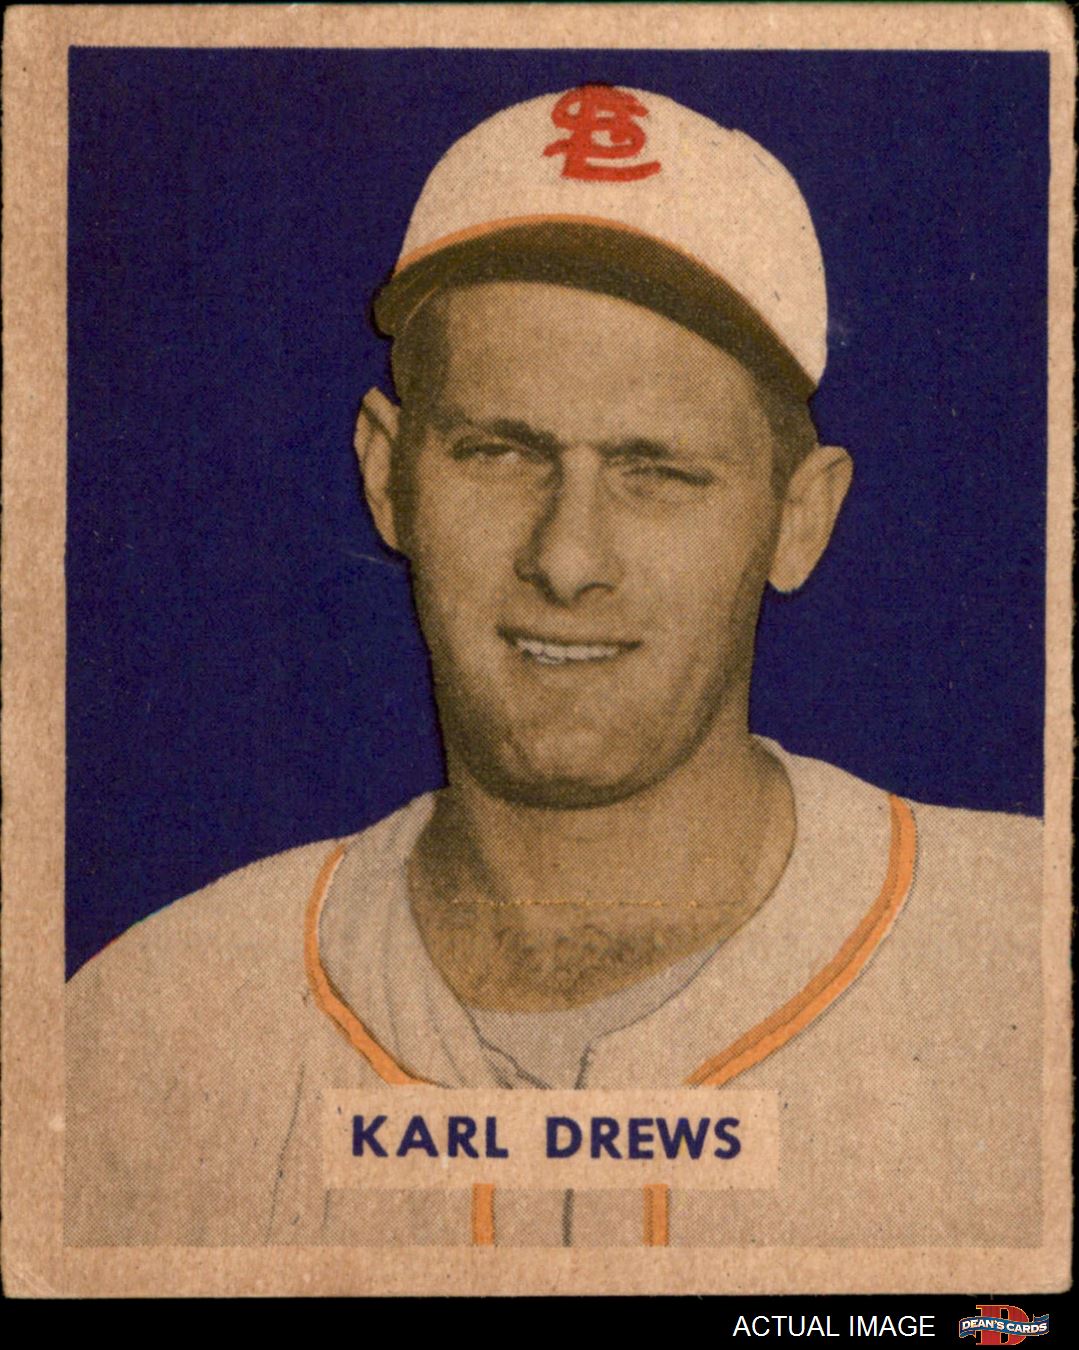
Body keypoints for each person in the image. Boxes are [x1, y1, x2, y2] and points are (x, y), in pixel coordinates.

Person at [66, 85, 1041, 1249]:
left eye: (656, 472)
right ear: (385, 474)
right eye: (498, 453)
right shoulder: (147, 1026)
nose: (567, 559)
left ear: (798, 518)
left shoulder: (1027, 960)